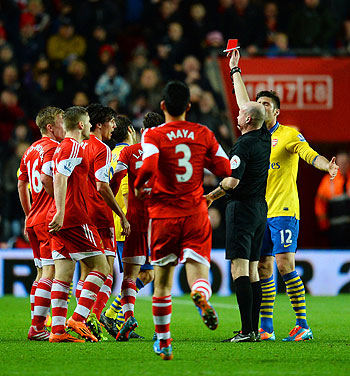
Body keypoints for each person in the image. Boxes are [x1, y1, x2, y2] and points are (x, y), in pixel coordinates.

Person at [227, 50, 338, 342]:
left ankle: (303, 324)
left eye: (265, 104)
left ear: (275, 112)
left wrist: (326, 165)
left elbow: (308, 154)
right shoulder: (256, 136)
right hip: (262, 212)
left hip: (286, 209)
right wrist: (235, 71)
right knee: (262, 267)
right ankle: (266, 327)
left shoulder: (288, 134)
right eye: (258, 104)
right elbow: (242, 102)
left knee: (284, 264)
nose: (259, 107)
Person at [135, 80, 231, 360]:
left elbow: (150, 165)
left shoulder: (153, 135)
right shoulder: (203, 133)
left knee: (162, 283)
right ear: (189, 106)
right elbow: (225, 167)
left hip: (164, 215)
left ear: (163, 106)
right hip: (195, 212)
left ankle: (164, 342)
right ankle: (200, 294)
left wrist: (141, 184)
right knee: (198, 272)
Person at [206, 97, 270, 342]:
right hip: (259, 208)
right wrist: (235, 70)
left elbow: (232, 182)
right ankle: (253, 330)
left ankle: (246, 331)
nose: (237, 115)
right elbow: (250, 106)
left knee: (239, 269)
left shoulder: (243, 145)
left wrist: (212, 194)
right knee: (253, 270)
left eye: (241, 113)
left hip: (241, 209)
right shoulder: (264, 138)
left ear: (249, 120)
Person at [47, 106, 110, 343]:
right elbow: (61, 177)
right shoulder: (72, 146)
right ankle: (78, 317)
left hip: (61, 217)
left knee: (63, 274)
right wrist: (62, 211)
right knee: (102, 268)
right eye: (87, 122)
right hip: (73, 216)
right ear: (82, 125)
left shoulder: (65, 147)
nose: (89, 127)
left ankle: (58, 331)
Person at [108, 112, 164, 341]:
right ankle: (111, 316)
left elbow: (114, 185)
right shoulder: (167, 155)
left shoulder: (121, 153)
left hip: (127, 220)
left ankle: (116, 314)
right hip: (145, 221)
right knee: (153, 274)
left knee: (146, 274)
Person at [76, 103, 130, 340]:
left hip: (80, 214)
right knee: (107, 273)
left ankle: (82, 317)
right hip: (99, 215)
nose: (114, 126)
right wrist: (121, 214)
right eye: (111, 121)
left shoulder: (79, 147)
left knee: (86, 273)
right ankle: (91, 318)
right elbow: (101, 187)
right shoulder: (101, 149)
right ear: (99, 124)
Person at [18, 106, 65, 340]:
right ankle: (37, 327)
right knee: (52, 271)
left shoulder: (29, 151)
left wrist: (28, 214)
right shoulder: (54, 149)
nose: (64, 127)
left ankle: (37, 321)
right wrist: (60, 205)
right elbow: (48, 179)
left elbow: (21, 184)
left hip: (34, 218)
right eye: (61, 123)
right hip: (48, 217)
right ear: (50, 127)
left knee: (40, 273)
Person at [315, 151, 350, 248]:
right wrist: (323, 225)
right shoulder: (328, 180)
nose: (342, 165)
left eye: (345, 162)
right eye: (340, 163)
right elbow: (320, 204)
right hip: (335, 229)